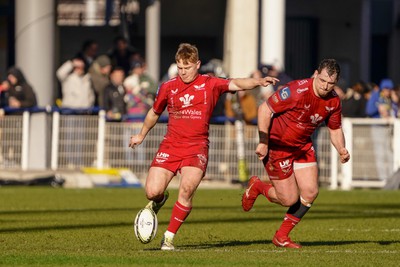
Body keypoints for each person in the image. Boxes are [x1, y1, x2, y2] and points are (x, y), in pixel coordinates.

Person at [129, 43, 279, 251]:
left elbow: (236, 83)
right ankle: (160, 200)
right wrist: (141, 135)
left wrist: (258, 81)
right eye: (180, 68)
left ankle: (169, 238)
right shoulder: (168, 87)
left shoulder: (210, 83)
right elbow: (154, 113)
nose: (183, 73)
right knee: (152, 192)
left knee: (187, 189)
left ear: (197, 65)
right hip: (171, 145)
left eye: (187, 68)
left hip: (197, 147)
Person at [242, 59, 350, 248]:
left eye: (330, 83)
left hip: (302, 147)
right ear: (316, 74)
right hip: (278, 146)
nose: (325, 87)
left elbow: (335, 129)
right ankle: (258, 187)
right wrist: (263, 141)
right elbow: (264, 109)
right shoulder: (296, 91)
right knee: (288, 199)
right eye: (323, 80)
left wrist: (341, 149)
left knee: (310, 191)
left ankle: (281, 236)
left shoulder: (333, 101)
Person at [365, 78, 396, 180]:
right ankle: (383, 179)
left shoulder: (390, 98)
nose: (388, 91)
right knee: (380, 154)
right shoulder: (376, 95)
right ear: (382, 89)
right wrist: (378, 109)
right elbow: (369, 111)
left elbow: (395, 111)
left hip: (388, 129)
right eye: (386, 89)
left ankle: (391, 178)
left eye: (390, 89)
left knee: (389, 153)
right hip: (377, 128)